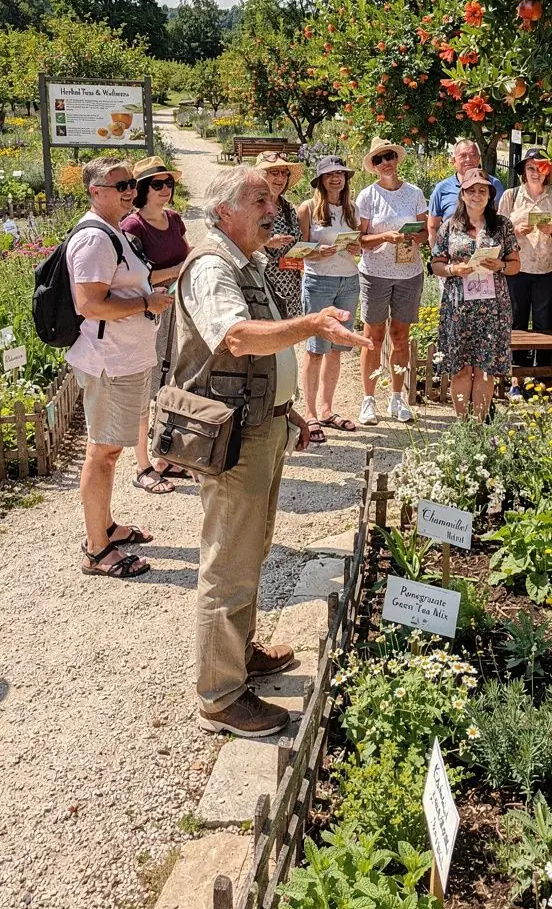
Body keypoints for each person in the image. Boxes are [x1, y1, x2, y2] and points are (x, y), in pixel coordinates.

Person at [173, 166, 372, 738]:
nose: (272, 207)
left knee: (250, 549)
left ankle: (239, 655)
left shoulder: (245, 259)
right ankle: (220, 696)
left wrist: (290, 410)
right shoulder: (214, 265)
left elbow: (261, 352)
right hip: (234, 433)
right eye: (259, 198)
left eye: (271, 197)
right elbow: (234, 338)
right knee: (228, 563)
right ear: (224, 211)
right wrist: (310, 322)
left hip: (262, 423)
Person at [66, 157, 173, 579]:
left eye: (132, 184)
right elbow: (89, 304)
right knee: (104, 452)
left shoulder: (114, 231)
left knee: (109, 448)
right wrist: (146, 303)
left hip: (124, 357)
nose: (131, 191)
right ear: (95, 191)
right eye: (120, 186)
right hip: (108, 361)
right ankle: (96, 550)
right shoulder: (95, 239)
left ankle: (106, 526)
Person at [121, 156, 192, 492]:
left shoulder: (174, 220)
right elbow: (140, 275)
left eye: (168, 183)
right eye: (157, 184)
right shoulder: (132, 227)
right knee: (147, 387)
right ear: (142, 190)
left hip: (178, 307)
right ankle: (143, 465)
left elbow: (188, 256)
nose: (165, 190)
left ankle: (166, 455)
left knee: (176, 381)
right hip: (150, 312)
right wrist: (177, 269)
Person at [431, 168, 520, 418]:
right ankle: (463, 427)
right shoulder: (449, 226)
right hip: (459, 306)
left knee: (484, 368)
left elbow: (515, 265)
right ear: (462, 194)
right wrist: (452, 269)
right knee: (460, 367)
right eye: (471, 190)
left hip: (493, 307)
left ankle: (479, 427)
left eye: (482, 190)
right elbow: (436, 263)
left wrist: (500, 265)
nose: (477, 195)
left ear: (490, 194)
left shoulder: (501, 225)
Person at [356, 137, 428, 426]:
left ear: (397, 159)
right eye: (378, 159)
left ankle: (397, 398)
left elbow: (425, 234)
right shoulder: (367, 196)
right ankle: (368, 400)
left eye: (388, 156)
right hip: (375, 273)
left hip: (409, 272)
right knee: (372, 338)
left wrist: (414, 237)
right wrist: (385, 237)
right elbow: (360, 240)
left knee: (400, 336)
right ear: (373, 167)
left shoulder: (415, 193)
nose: (385, 163)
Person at [297, 155, 361, 442]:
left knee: (337, 348)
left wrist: (357, 247)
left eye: (340, 174)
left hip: (348, 280)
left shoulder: (352, 209)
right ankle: (310, 413)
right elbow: (299, 250)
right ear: (321, 180)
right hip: (319, 281)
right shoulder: (308, 209)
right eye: (330, 174)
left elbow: (358, 244)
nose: (336, 179)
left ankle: (326, 408)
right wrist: (315, 252)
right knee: (315, 347)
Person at [497, 148, 552, 387]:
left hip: (548, 269)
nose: (535, 173)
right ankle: (517, 379)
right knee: (516, 322)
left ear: (547, 171)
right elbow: (498, 233)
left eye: (540, 168)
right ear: (523, 172)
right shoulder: (511, 196)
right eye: (530, 168)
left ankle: (542, 379)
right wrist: (515, 231)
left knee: (543, 324)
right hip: (517, 268)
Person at [427, 139, 504, 245]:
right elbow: (433, 227)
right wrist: (438, 257)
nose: (469, 159)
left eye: (473, 155)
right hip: (453, 256)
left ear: (478, 159)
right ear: (454, 161)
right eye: (463, 156)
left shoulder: (493, 185)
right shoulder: (441, 189)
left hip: (487, 254)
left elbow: (501, 220)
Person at [256, 152, 303, 320]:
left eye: (284, 173)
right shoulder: (252, 205)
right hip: (263, 282)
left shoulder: (287, 207)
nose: (280, 178)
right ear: (261, 177)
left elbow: (298, 239)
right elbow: (239, 239)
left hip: (289, 283)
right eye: (275, 172)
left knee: (287, 337)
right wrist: (268, 242)